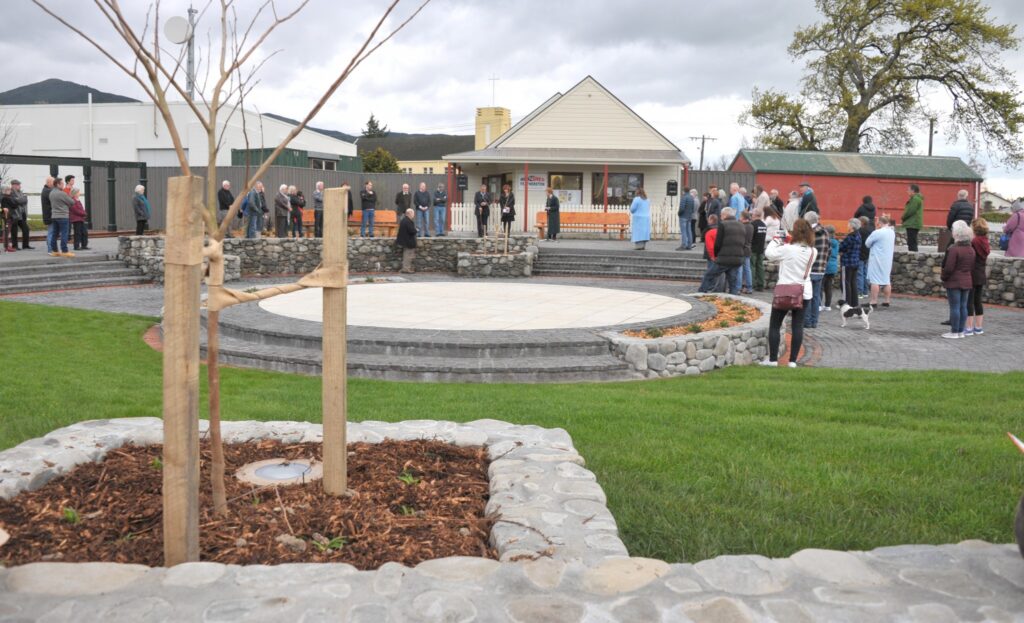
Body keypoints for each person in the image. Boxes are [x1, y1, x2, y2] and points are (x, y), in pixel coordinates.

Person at [761, 219, 817, 368]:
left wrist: (777, 239)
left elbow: (769, 254)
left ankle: (773, 360)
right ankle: (792, 361)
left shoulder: (788, 249)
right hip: (804, 291)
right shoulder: (813, 251)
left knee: (775, 325)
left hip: (785, 290)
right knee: (798, 326)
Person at [940, 220, 975, 339]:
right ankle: (960, 331)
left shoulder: (954, 249)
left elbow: (949, 267)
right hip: (967, 280)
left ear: (956, 233)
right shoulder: (971, 249)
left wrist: (943, 277)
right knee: (963, 306)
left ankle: (954, 331)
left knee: (955, 306)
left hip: (954, 281)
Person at [699, 207, 745, 293]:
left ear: (724, 215)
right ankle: (733, 297)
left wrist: (716, 256)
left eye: (721, 215)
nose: (720, 216)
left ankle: (701, 293)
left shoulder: (723, 225)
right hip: (737, 258)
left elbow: (718, 243)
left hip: (724, 258)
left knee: (709, 275)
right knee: (732, 281)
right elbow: (744, 242)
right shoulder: (741, 225)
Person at [802, 212, 830, 328]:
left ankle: (807, 321)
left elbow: (804, 251)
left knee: (807, 296)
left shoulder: (810, 233)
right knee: (816, 296)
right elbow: (829, 250)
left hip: (810, 268)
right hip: (821, 268)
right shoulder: (825, 232)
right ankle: (814, 321)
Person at [964, 217, 990, 336]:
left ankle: (968, 328)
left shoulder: (974, 241)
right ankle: (978, 327)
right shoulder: (985, 240)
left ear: (975, 228)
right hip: (981, 273)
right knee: (978, 301)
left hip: (972, 273)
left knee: (969, 300)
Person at [865, 215, 895, 308]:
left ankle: (873, 301)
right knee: (886, 280)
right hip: (887, 259)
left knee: (875, 280)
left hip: (877, 258)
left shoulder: (877, 232)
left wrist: (876, 229)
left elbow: (867, 243)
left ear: (879, 223)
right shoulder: (892, 232)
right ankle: (887, 300)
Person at [838, 218, 862, 308]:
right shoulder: (858, 235)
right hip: (855, 262)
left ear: (852, 226)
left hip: (847, 262)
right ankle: (854, 303)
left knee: (845, 283)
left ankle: (846, 303)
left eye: (848, 224)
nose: (847, 226)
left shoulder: (850, 237)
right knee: (853, 283)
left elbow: (841, 247)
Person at [48, 178, 74, 257]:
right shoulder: (62, 193)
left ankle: (55, 251)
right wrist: (70, 196)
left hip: (54, 216)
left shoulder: (51, 193)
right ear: (58, 184)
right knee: (64, 234)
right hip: (63, 216)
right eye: (62, 183)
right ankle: (64, 251)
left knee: (54, 234)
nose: (63, 185)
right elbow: (72, 202)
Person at [697, 214, 720, 291]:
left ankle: (708, 287)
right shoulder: (720, 228)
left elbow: (703, 238)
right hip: (718, 252)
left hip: (710, 253)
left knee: (710, 271)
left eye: (709, 219)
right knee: (714, 271)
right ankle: (713, 285)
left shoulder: (708, 229)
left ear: (711, 220)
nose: (707, 220)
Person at [8, 179, 31, 250]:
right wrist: (20, 200)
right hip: (14, 215)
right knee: (14, 231)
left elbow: (25, 200)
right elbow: (14, 201)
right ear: (13, 185)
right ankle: (15, 246)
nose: (20, 186)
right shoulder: (10, 192)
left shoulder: (20, 192)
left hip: (21, 215)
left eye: (19, 184)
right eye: (18, 185)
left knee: (26, 229)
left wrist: (19, 200)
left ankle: (25, 245)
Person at [822, 225, 839, 311]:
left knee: (820, 287)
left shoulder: (826, 242)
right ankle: (827, 305)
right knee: (828, 287)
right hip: (833, 267)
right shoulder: (836, 242)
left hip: (825, 266)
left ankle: (819, 305)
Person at [902, 184, 923, 252]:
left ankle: (914, 258)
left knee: (912, 242)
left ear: (913, 191)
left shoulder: (915, 199)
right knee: (912, 241)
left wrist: (903, 217)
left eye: (908, 190)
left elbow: (910, 211)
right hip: (913, 223)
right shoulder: (916, 199)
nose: (907, 191)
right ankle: (913, 256)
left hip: (913, 223)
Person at [750, 208, 768, 291]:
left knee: (752, 266)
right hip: (761, 248)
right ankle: (761, 284)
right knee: (760, 266)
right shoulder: (764, 225)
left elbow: (750, 237)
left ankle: (752, 284)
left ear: (754, 215)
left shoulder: (753, 224)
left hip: (753, 248)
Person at [397, 207, 417, 273]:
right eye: (413, 213)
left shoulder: (404, 220)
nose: (413, 215)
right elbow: (411, 231)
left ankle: (405, 268)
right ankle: (406, 269)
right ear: (409, 213)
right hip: (408, 241)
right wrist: (416, 230)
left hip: (404, 241)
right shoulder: (408, 221)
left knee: (406, 255)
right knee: (408, 256)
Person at [739, 210, 754, 293]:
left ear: (743, 217)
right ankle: (749, 287)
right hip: (748, 248)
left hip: (742, 249)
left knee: (740, 269)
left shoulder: (742, 226)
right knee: (748, 269)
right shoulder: (751, 226)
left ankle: (739, 286)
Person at [677, 185, 695, 250]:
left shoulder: (684, 197)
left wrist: (679, 214)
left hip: (683, 216)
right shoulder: (691, 197)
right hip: (689, 217)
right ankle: (689, 245)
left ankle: (684, 245)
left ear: (683, 191)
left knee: (683, 231)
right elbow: (693, 208)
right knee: (689, 231)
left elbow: (682, 208)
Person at [857, 215, 872, 296]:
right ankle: (865, 291)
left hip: (860, 254)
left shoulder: (860, 231)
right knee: (865, 273)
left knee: (859, 273)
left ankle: (859, 292)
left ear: (862, 222)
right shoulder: (870, 231)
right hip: (867, 254)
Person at [1, 186, 17, 252]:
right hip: (7, 216)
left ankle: (7, 246)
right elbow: (15, 205)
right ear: (6, 191)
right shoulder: (5, 198)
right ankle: (6, 246)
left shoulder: (5, 197)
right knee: (6, 232)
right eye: (9, 190)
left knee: (7, 231)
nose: (10, 191)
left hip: (8, 215)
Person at [41, 176, 54, 251]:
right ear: (48, 183)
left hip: (49, 214)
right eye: (53, 182)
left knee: (51, 231)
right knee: (51, 232)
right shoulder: (48, 191)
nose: (54, 184)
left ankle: (50, 247)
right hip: (50, 215)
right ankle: (50, 249)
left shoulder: (46, 190)